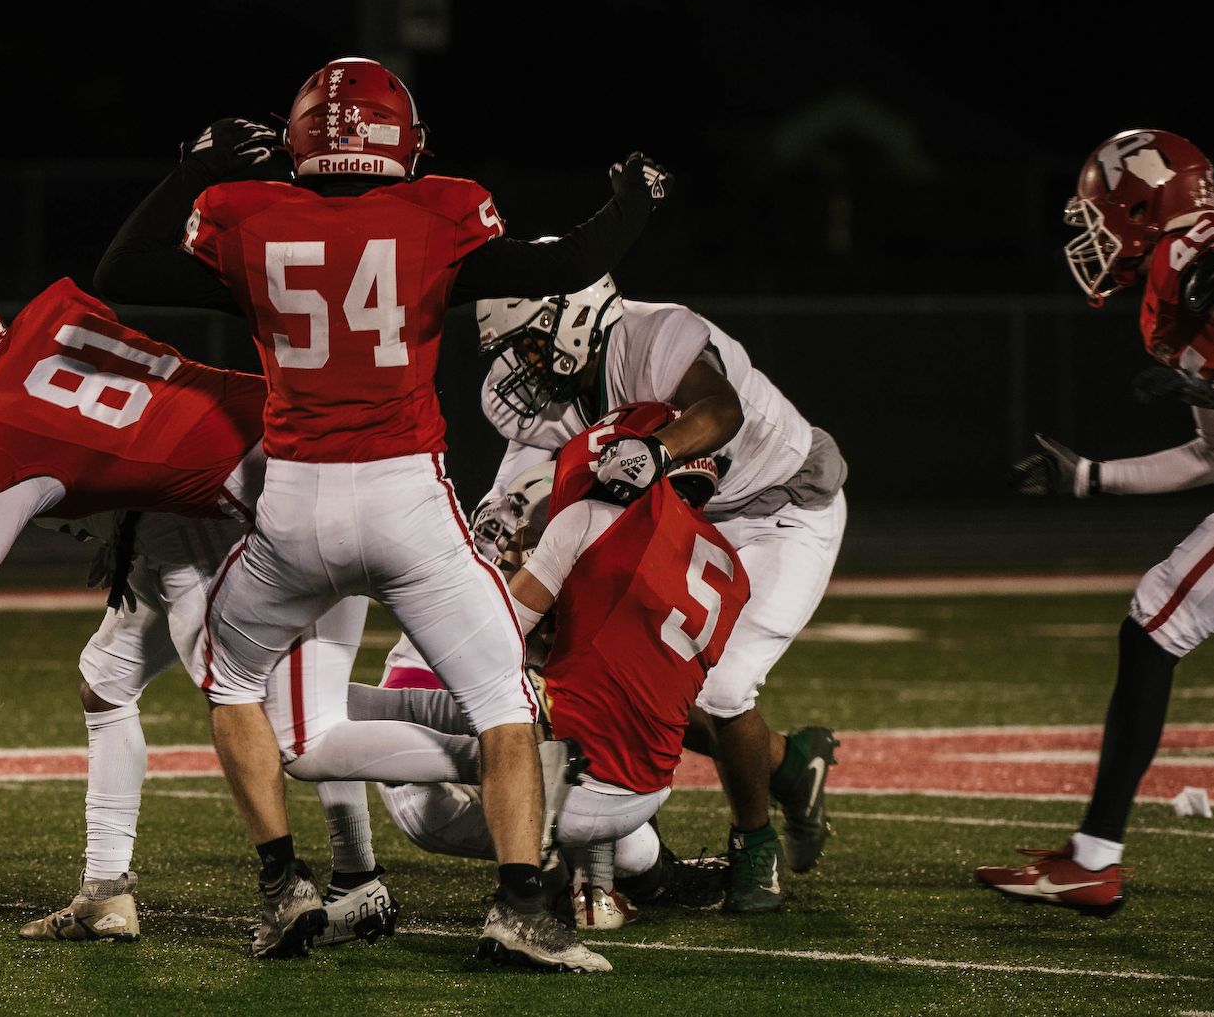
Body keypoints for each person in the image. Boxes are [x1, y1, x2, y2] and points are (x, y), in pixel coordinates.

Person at [94, 56, 672, 970]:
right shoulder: (439, 213)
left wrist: (195, 168)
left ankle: (283, 886)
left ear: (299, 142)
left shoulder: (249, 219)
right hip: (406, 503)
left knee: (233, 684)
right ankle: (520, 909)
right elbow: (570, 262)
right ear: (403, 142)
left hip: (292, 509)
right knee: (505, 702)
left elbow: (121, 268)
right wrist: (633, 202)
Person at [0, 280, 480, 948]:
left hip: (222, 516)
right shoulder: (47, 324)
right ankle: (135, 891)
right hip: (290, 446)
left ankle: (313, 872)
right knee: (118, 681)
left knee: (284, 726)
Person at [471, 273, 845, 912]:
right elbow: (515, 491)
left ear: (572, 323)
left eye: (530, 344)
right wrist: (496, 525)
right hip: (688, 515)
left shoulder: (652, 335)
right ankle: (784, 762)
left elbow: (720, 411)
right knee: (601, 665)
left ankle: (753, 840)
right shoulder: (549, 396)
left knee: (721, 689)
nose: (522, 364)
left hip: (781, 506)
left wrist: (657, 451)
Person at [985, 128, 1214, 916]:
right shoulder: (1185, 279)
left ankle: (1094, 860)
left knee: (1157, 618)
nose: (1093, 232)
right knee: (1155, 618)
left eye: (1100, 211)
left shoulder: (1194, 252)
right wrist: (1090, 476)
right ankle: (1091, 855)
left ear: (1140, 204)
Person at [365, 406, 744, 929]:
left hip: (493, 725)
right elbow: (487, 654)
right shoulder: (708, 562)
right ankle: (545, 874)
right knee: (565, 732)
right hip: (441, 728)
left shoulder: (587, 520)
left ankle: (568, 877)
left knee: (616, 811)